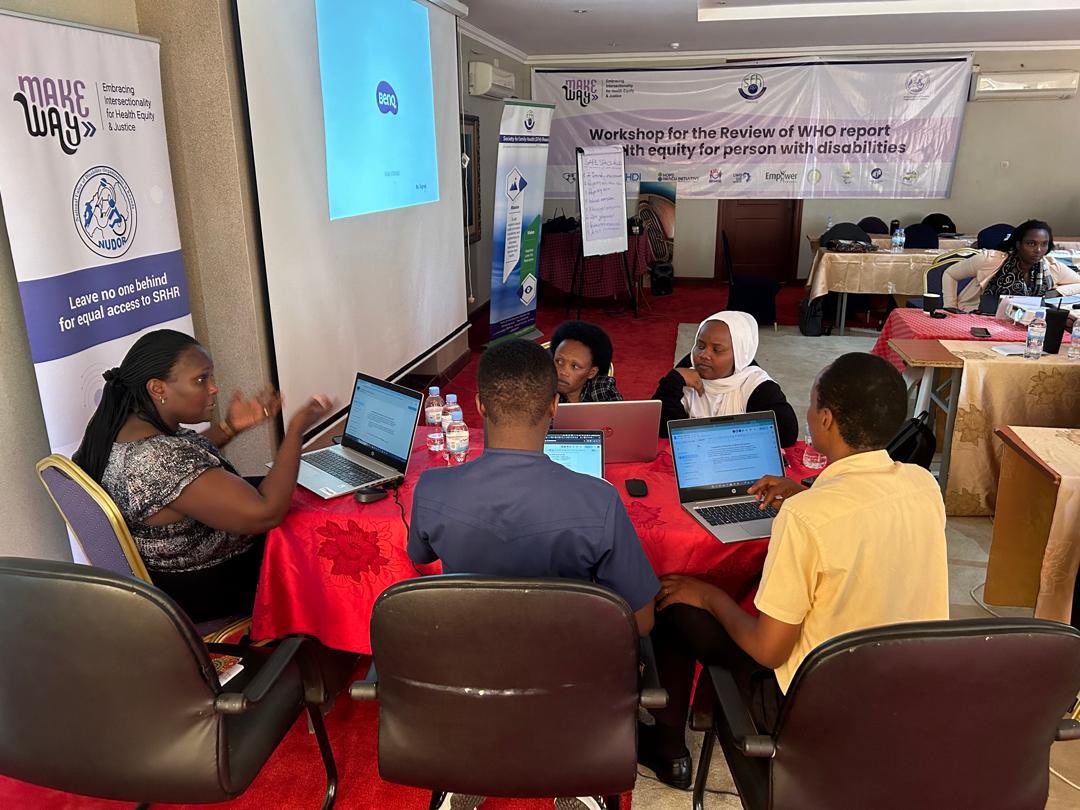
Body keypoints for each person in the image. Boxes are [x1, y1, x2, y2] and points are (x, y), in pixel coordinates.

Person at [638, 353, 949, 789]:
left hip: (813, 701)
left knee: (673, 602)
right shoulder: (923, 486)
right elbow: (863, 509)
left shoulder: (805, 518)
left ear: (824, 419)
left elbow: (769, 651)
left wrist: (707, 594)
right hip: (904, 686)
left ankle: (668, 748)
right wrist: (806, 487)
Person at [408, 339, 659, 810]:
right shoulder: (599, 499)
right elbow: (641, 622)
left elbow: (420, 558)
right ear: (554, 406)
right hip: (567, 678)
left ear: (480, 405)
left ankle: (474, 765)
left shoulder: (433, 486)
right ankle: (574, 774)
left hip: (468, 670)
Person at [73, 329, 331, 623]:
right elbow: (265, 513)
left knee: (298, 498)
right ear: (158, 388)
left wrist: (232, 426)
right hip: (211, 590)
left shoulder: (122, 430)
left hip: (171, 576)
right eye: (201, 379)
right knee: (314, 534)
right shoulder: (159, 459)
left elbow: (181, 469)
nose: (213, 389)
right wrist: (296, 431)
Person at [652, 311, 798, 446]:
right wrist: (672, 382)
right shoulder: (684, 379)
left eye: (717, 350)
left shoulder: (756, 385)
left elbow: (786, 436)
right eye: (700, 346)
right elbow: (661, 432)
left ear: (739, 354)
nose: (704, 355)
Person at [942, 219, 1080, 310]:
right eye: (1031, 243)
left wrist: (1058, 291)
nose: (1038, 250)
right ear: (1018, 244)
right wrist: (949, 306)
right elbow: (950, 274)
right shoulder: (990, 260)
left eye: (1044, 244)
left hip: (1020, 324)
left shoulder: (1050, 267)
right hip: (973, 316)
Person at [549, 320, 623, 403]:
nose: (563, 372)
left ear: (592, 372)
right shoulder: (542, 385)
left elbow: (619, 414)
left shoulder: (602, 387)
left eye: (575, 366)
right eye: (559, 361)